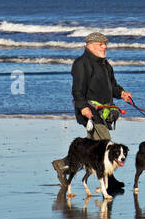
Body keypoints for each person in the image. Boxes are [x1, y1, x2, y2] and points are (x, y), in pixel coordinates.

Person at [53, 31, 134, 187]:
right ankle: (108, 180)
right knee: (106, 144)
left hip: (104, 111)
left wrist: (122, 93)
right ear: (89, 45)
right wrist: (83, 107)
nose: (104, 46)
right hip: (89, 111)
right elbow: (77, 90)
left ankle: (62, 164)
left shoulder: (105, 64)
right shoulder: (81, 64)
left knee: (89, 148)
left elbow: (113, 86)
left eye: (105, 44)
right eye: (100, 44)